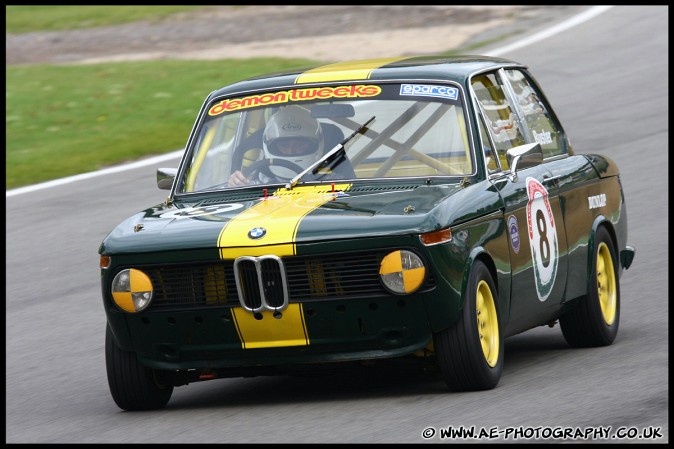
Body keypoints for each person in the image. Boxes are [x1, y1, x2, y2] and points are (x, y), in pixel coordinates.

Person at [228, 105, 325, 186]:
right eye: (284, 145)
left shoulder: (332, 182)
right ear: (272, 147)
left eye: (300, 144)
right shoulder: (259, 183)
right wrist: (235, 183)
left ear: (314, 145)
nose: (291, 150)